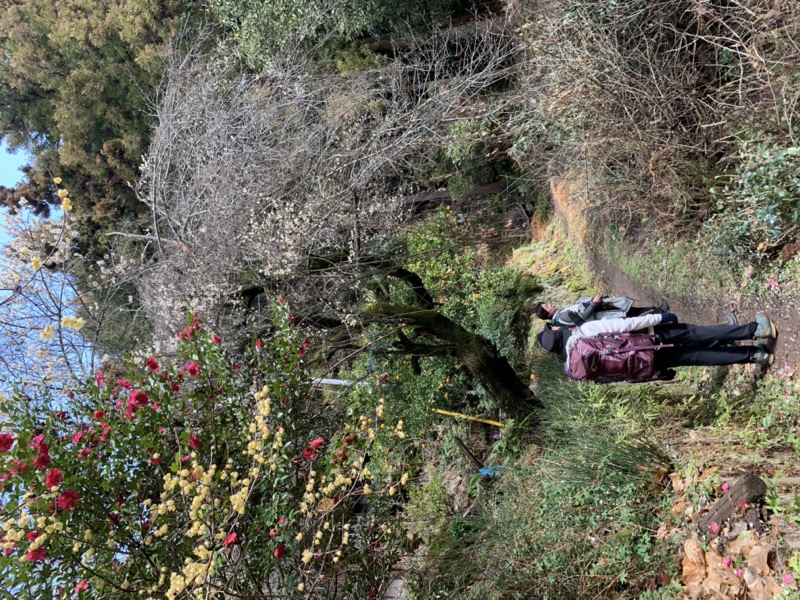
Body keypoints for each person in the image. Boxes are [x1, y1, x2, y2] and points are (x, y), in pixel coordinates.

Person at [536, 311, 776, 372]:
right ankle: (757, 330)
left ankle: (755, 356)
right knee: (698, 334)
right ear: (558, 332)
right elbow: (623, 325)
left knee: (698, 357)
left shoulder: (573, 366)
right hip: (650, 337)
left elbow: (613, 374)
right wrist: (659, 317)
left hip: (646, 363)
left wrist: (654, 374)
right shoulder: (582, 333)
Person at [535, 295, 670, 329]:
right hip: (603, 316)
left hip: (602, 316)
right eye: (547, 306)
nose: (550, 304)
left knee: (633, 313)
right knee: (634, 315)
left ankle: (661, 313)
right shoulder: (562, 316)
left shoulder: (560, 317)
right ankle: (662, 311)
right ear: (548, 314)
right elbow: (582, 318)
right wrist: (594, 303)